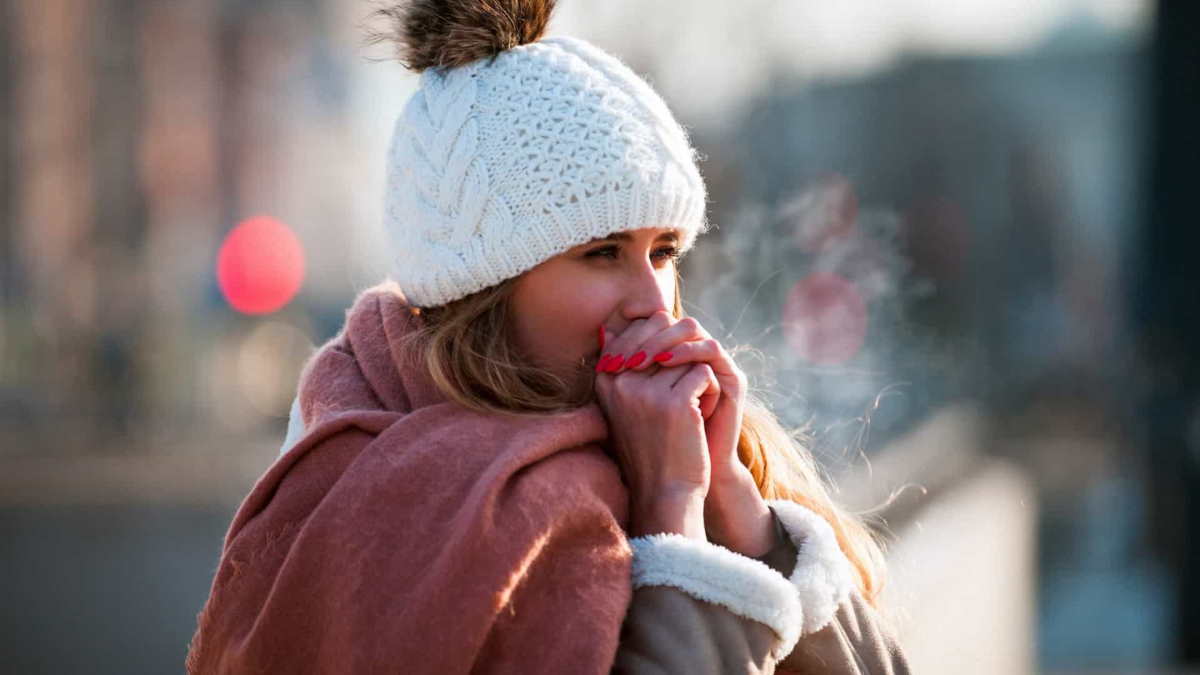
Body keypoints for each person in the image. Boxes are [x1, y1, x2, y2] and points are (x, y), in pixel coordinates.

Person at [187, 1, 911, 673]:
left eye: (663, 252)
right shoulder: (371, 488)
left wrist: (738, 507)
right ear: (487, 290)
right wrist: (673, 524)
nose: (651, 299)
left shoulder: (700, 446)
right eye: (601, 252)